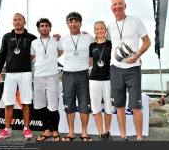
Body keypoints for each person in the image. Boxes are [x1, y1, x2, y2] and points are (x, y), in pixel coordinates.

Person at [107, 0, 151, 141]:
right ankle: (123, 136)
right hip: (115, 69)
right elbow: (104, 42)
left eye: (120, 4)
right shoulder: (110, 26)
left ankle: (139, 138)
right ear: (111, 8)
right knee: (119, 106)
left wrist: (138, 55)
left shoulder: (135, 21)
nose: (117, 6)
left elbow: (147, 42)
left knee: (135, 106)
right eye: (115, 4)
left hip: (133, 69)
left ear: (125, 6)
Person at [0, 13, 37, 141]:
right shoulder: (7, 37)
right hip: (10, 74)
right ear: (12, 22)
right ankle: (7, 129)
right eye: (15, 20)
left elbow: (36, 52)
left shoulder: (32, 38)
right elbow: (2, 55)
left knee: (26, 102)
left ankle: (26, 128)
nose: (17, 22)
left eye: (20, 20)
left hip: (25, 73)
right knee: (8, 102)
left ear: (24, 22)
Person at [58, 11, 94, 141]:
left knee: (85, 103)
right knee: (69, 103)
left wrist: (88, 64)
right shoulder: (63, 39)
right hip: (67, 74)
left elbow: (97, 52)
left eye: (76, 21)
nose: (73, 24)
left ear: (80, 23)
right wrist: (52, 39)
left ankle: (84, 132)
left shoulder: (89, 37)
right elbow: (55, 54)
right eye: (71, 21)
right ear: (67, 24)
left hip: (83, 74)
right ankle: (71, 132)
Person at [30, 18, 62, 141]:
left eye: (46, 26)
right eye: (42, 26)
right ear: (38, 28)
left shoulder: (56, 40)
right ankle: (46, 131)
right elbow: (31, 58)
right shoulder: (34, 43)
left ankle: (56, 131)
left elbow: (59, 53)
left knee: (53, 106)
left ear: (50, 28)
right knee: (39, 106)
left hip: (52, 76)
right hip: (37, 77)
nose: (44, 28)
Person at [89, 21, 113, 141]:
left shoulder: (111, 44)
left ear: (105, 30)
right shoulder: (92, 46)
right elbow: (90, 62)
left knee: (109, 107)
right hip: (94, 79)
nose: (100, 31)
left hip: (109, 79)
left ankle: (107, 133)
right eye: (97, 29)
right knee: (96, 107)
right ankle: (101, 133)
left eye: (102, 28)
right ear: (94, 31)